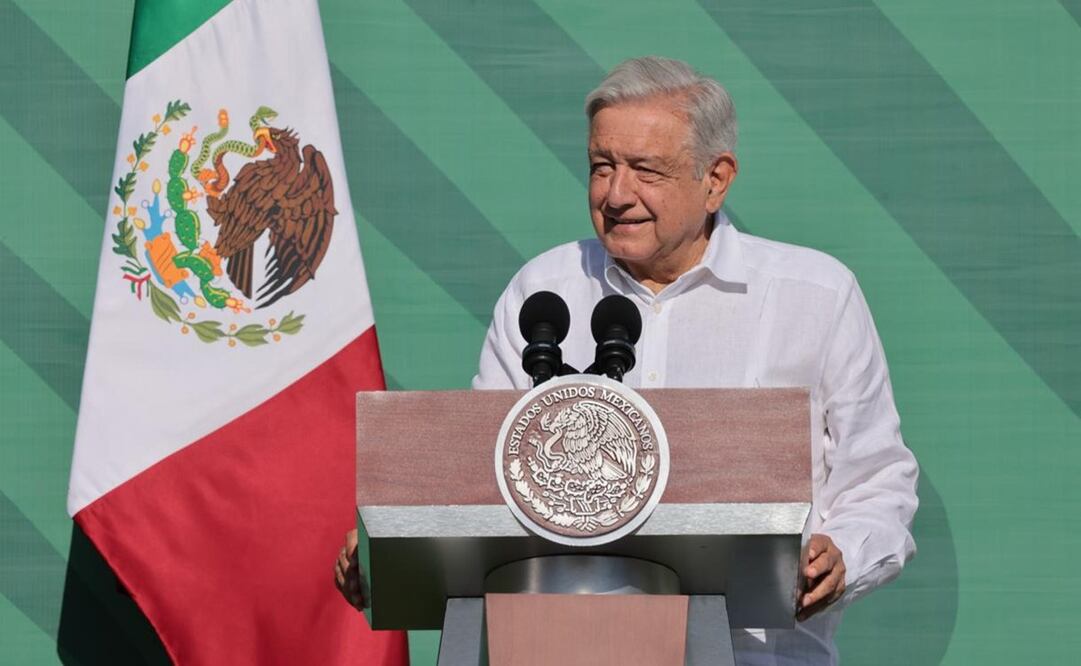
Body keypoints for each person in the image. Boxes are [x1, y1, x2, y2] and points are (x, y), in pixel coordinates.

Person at [337, 56, 918, 665]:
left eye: (645, 170)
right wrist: (390, 538)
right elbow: (484, 475)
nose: (616, 194)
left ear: (715, 179)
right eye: (601, 167)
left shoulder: (814, 294)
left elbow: (879, 479)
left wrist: (842, 553)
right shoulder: (545, 291)